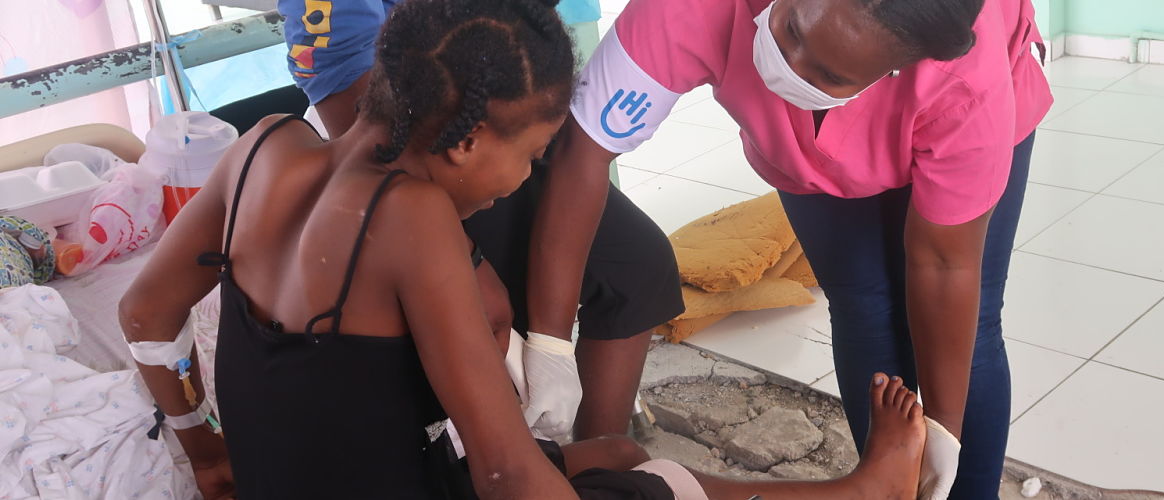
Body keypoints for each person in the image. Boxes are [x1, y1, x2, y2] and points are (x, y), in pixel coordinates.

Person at [120, 1, 932, 497]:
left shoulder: (261, 144)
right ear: (470, 141)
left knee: (611, 451)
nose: (526, 178)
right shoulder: (414, 221)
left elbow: (146, 313)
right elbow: (505, 478)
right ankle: (862, 493)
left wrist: (209, 455)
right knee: (656, 485)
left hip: (279, 487)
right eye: (533, 153)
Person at [548, 0, 1053, 497]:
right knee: (863, 307)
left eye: (829, 74)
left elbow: (944, 263)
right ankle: (886, 485)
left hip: (956, 100)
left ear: (894, 68)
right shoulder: (689, 6)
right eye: (790, 28)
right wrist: (546, 344)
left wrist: (944, 434)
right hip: (813, 161)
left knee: (972, 326)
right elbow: (585, 148)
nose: (787, 71)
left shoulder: (963, 81)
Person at [277, 0, 681, 442]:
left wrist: (553, 342)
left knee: (637, 264)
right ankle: (510, 454)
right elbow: (356, 97)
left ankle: (594, 464)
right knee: (490, 303)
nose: (539, 162)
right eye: (535, 156)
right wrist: (467, 255)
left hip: (491, 116)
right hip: (396, 149)